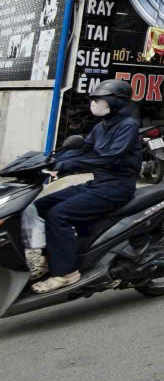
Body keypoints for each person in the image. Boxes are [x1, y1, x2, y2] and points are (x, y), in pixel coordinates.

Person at [31, 79, 141, 292]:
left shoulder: (128, 126)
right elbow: (82, 149)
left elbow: (109, 157)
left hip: (117, 188)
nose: (95, 104)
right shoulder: (101, 127)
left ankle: (66, 273)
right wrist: (49, 161)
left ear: (117, 101)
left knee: (58, 215)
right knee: (40, 206)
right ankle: (49, 258)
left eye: (100, 99)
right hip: (97, 184)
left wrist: (70, 164)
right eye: (94, 100)